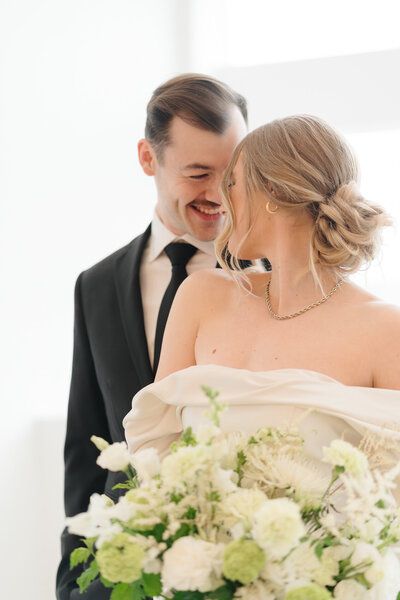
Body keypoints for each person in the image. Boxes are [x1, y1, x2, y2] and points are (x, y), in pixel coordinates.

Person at [56, 73, 248, 600]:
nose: (219, 194)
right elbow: (86, 442)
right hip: (122, 577)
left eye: (232, 173)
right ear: (148, 158)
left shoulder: (271, 277)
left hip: (244, 569)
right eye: (198, 173)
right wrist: (74, 583)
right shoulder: (95, 285)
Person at [124, 114, 400, 471]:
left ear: (273, 193)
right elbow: (156, 457)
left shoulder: (384, 330)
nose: (222, 203)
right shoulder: (201, 297)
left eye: (233, 183)